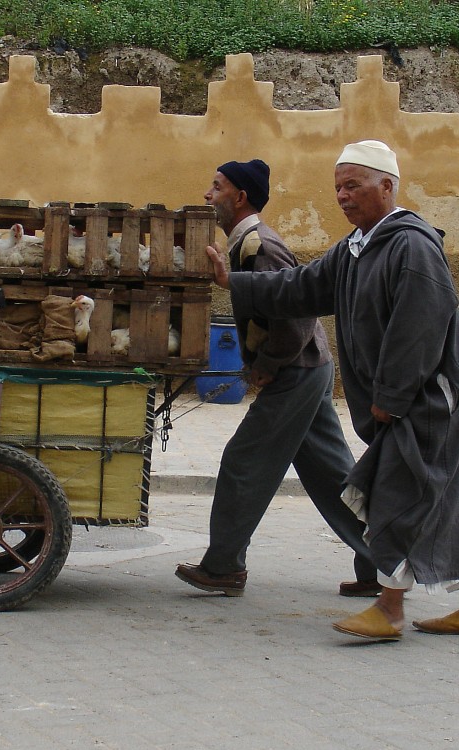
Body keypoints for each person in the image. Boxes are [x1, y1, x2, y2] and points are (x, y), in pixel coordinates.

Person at [208, 141, 459, 640]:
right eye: (338, 187)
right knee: (445, 495)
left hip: (428, 398)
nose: (343, 196)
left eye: (353, 186)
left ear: (387, 186)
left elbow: (419, 328)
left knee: (394, 493)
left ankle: (389, 609)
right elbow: (301, 287)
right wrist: (232, 282)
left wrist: (391, 397)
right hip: (406, 399)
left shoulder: (411, 246)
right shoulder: (356, 248)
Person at [175, 159, 379, 599]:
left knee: (243, 463)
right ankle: (383, 562)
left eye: (217, 187)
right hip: (307, 368)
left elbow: (296, 315)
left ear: (240, 197)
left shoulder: (259, 246)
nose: (208, 194)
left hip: (296, 371)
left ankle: (224, 567)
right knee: (333, 476)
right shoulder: (243, 243)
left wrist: (267, 362)